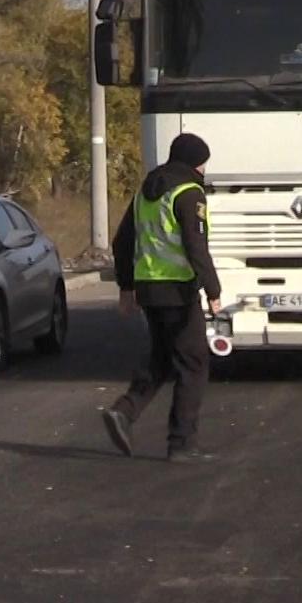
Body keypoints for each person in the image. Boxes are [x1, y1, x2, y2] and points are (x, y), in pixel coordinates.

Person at [101, 133, 223, 463]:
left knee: (162, 357)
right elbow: (196, 246)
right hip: (179, 290)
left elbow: (121, 242)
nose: (203, 168)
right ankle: (182, 444)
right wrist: (213, 291)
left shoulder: (146, 192)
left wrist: (127, 288)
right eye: (202, 162)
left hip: (149, 289)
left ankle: (124, 412)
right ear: (193, 162)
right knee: (194, 363)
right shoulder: (189, 192)